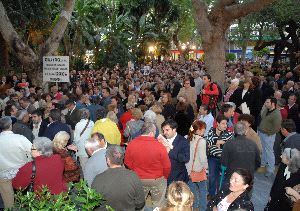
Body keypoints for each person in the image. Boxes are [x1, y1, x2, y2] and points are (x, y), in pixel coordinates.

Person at [124, 122, 171, 207]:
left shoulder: (132, 143)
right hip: (157, 179)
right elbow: (167, 166)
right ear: (151, 133)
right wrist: (165, 176)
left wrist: (135, 172)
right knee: (158, 204)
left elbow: (127, 162)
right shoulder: (160, 145)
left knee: (139, 204)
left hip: (139, 179)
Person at [92, 145, 145, 211]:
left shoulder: (98, 179)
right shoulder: (133, 176)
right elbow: (140, 203)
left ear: (108, 160)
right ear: (122, 159)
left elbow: (93, 204)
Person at [0, 117, 32, 209]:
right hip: (21, 173)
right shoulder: (20, 138)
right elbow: (33, 152)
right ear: (11, 126)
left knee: (8, 203)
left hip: (3, 175)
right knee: (25, 201)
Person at [206, 114, 233, 197]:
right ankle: (211, 194)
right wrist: (221, 142)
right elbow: (208, 143)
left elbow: (228, 146)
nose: (225, 125)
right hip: (212, 158)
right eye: (223, 123)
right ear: (217, 123)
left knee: (222, 179)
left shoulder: (229, 133)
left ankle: (220, 195)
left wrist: (219, 143)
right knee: (212, 177)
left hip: (224, 159)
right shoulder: (211, 130)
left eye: (226, 123)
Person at [185, 120, 208, 211]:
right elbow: (203, 158)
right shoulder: (201, 141)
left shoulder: (188, 137)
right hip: (198, 170)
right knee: (203, 190)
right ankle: (203, 208)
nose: (204, 130)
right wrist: (206, 168)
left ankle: (194, 207)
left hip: (188, 170)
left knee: (192, 191)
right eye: (203, 129)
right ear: (198, 130)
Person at [160, 119, 190, 185]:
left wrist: (170, 152)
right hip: (162, 175)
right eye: (163, 130)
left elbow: (186, 158)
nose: (164, 132)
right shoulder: (162, 139)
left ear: (174, 130)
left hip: (177, 177)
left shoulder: (183, 141)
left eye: (167, 130)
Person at [258, 97, 282, 177]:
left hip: (268, 135)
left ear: (273, 104)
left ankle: (271, 170)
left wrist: (269, 133)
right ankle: (263, 165)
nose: (265, 104)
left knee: (269, 152)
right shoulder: (266, 110)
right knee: (263, 149)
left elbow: (277, 127)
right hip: (262, 133)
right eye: (266, 102)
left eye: (267, 102)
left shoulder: (276, 114)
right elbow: (262, 117)